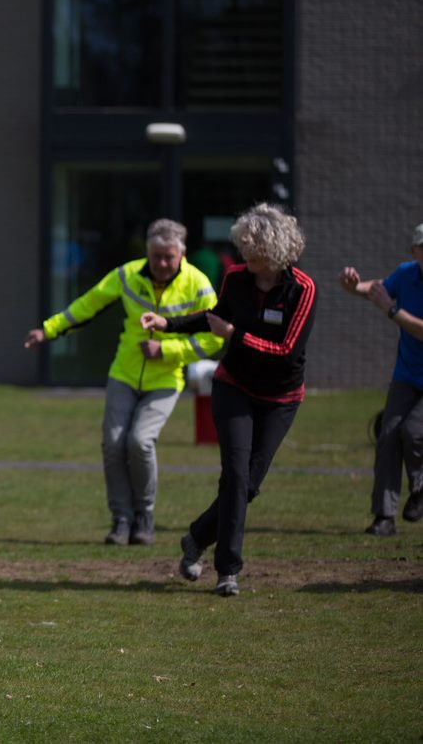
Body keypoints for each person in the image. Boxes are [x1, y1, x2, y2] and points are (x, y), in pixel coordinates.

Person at [142, 203, 316, 597]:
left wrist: (235, 335)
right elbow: (213, 317)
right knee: (235, 476)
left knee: (250, 485)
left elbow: (287, 349)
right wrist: (168, 324)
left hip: (281, 397)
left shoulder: (303, 289)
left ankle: (197, 536)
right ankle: (228, 571)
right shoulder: (237, 278)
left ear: (272, 251)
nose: (242, 255)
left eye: (250, 248)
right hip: (234, 386)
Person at [25, 219, 222, 546]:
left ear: (182, 254)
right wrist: (50, 329)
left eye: (168, 257)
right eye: (155, 255)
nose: (161, 264)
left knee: (140, 442)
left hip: (166, 379)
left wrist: (169, 350)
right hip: (123, 374)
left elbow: (216, 339)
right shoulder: (128, 275)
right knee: (113, 444)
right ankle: (121, 519)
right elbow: (89, 304)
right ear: (147, 251)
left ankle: (145, 515)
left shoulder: (198, 285)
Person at [339, 223, 423, 536]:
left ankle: (420, 488)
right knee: (388, 436)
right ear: (414, 251)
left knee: (414, 432)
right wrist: (354, 285)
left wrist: (392, 311)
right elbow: (378, 288)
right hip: (408, 374)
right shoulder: (407, 273)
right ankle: (384, 517)